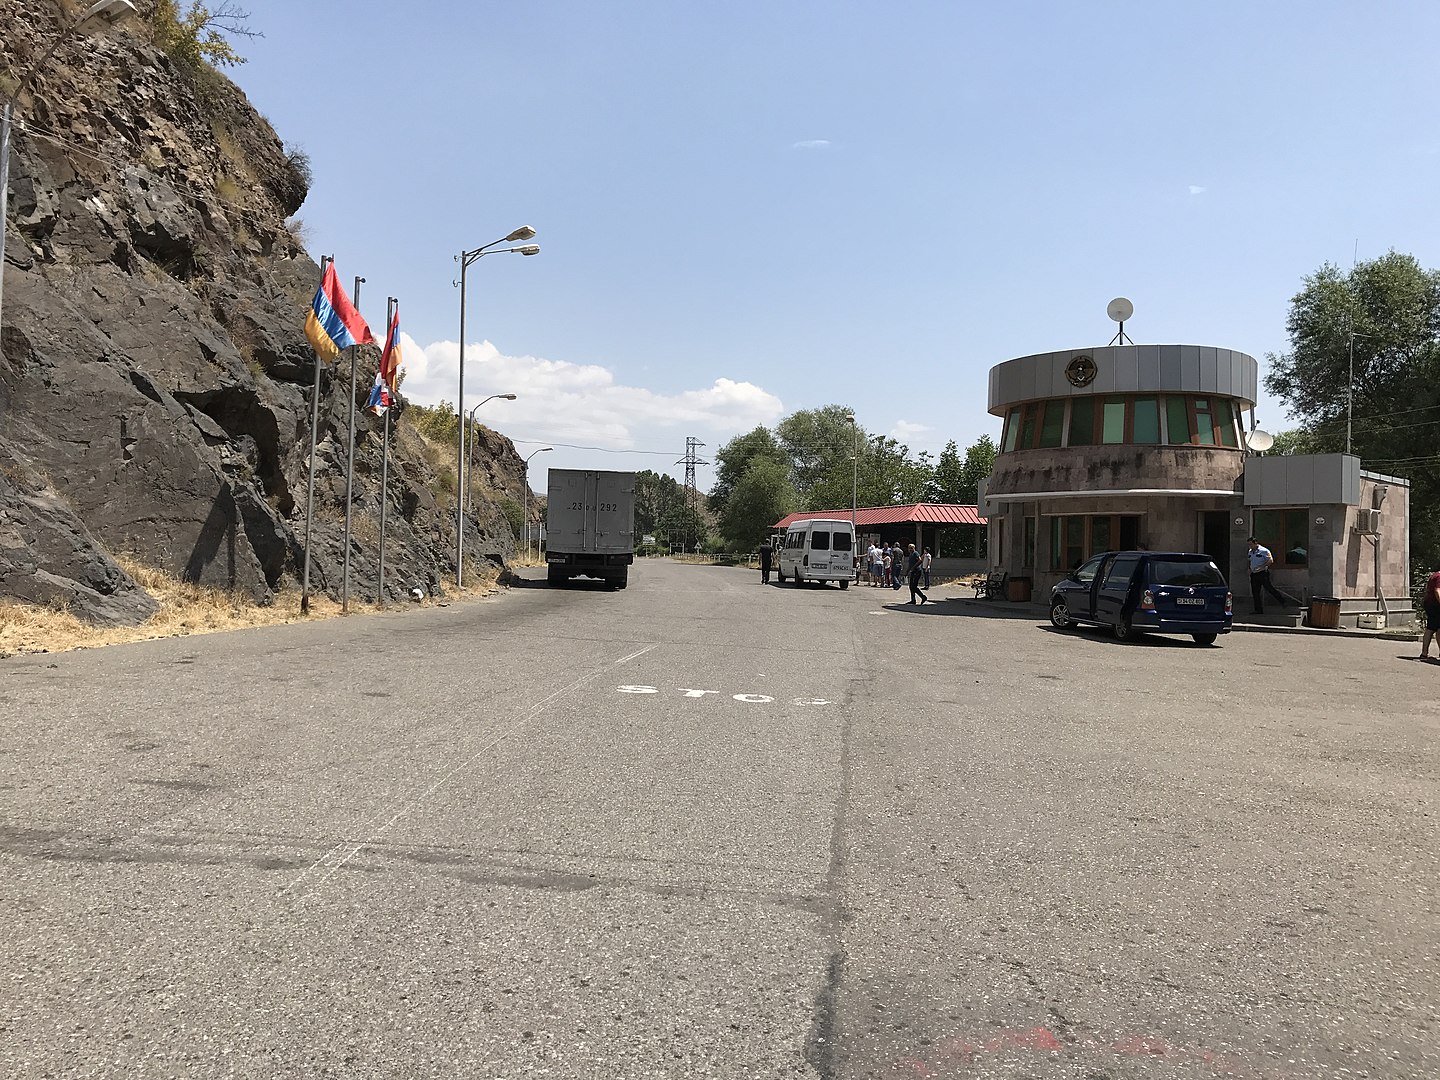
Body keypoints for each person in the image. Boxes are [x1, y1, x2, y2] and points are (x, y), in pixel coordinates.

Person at [1246, 536, 1294, 614]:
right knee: (1255, 592)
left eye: (1251, 544)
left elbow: (1270, 560)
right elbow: (1249, 560)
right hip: (1254, 574)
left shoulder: (1264, 551)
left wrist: (1262, 567)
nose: (1250, 546)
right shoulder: (1250, 551)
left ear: (1256, 543)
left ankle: (1283, 601)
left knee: (1269, 589)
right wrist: (1249, 569)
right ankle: (1258, 610)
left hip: (1262, 573)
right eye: (1249, 545)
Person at [1421, 569, 1440, 661]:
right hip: (1435, 605)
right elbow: (1437, 591)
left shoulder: (1434, 575)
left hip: (1430, 603)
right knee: (1434, 629)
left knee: (1434, 628)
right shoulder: (1439, 577)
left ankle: (1425, 653)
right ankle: (1425, 653)